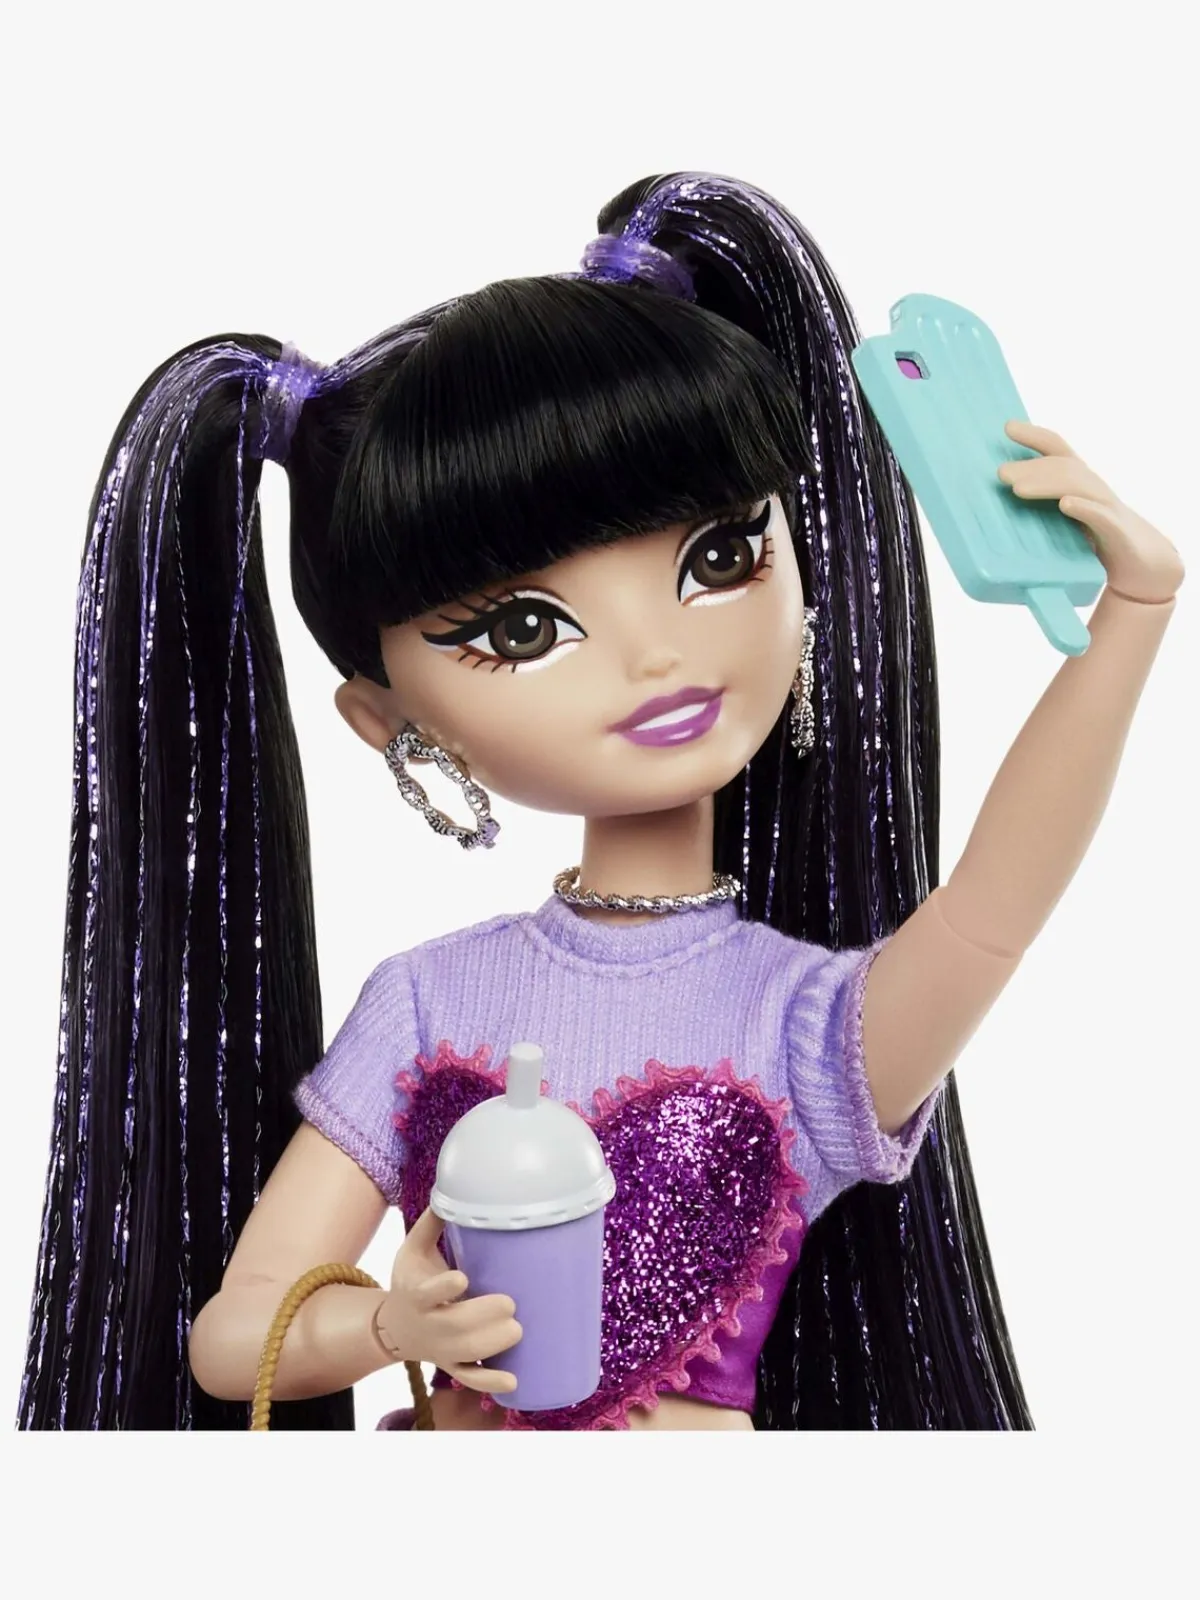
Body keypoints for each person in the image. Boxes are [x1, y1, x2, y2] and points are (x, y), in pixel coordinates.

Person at [19, 172, 1183, 1430]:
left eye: (719, 557)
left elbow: (994, 906)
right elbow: (233, 1334)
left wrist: (1132, 613)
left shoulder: (805, 1023)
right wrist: (389, 1325)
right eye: (524, 628)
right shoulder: (427, 1002)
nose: (656, 655)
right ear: (392, 722)